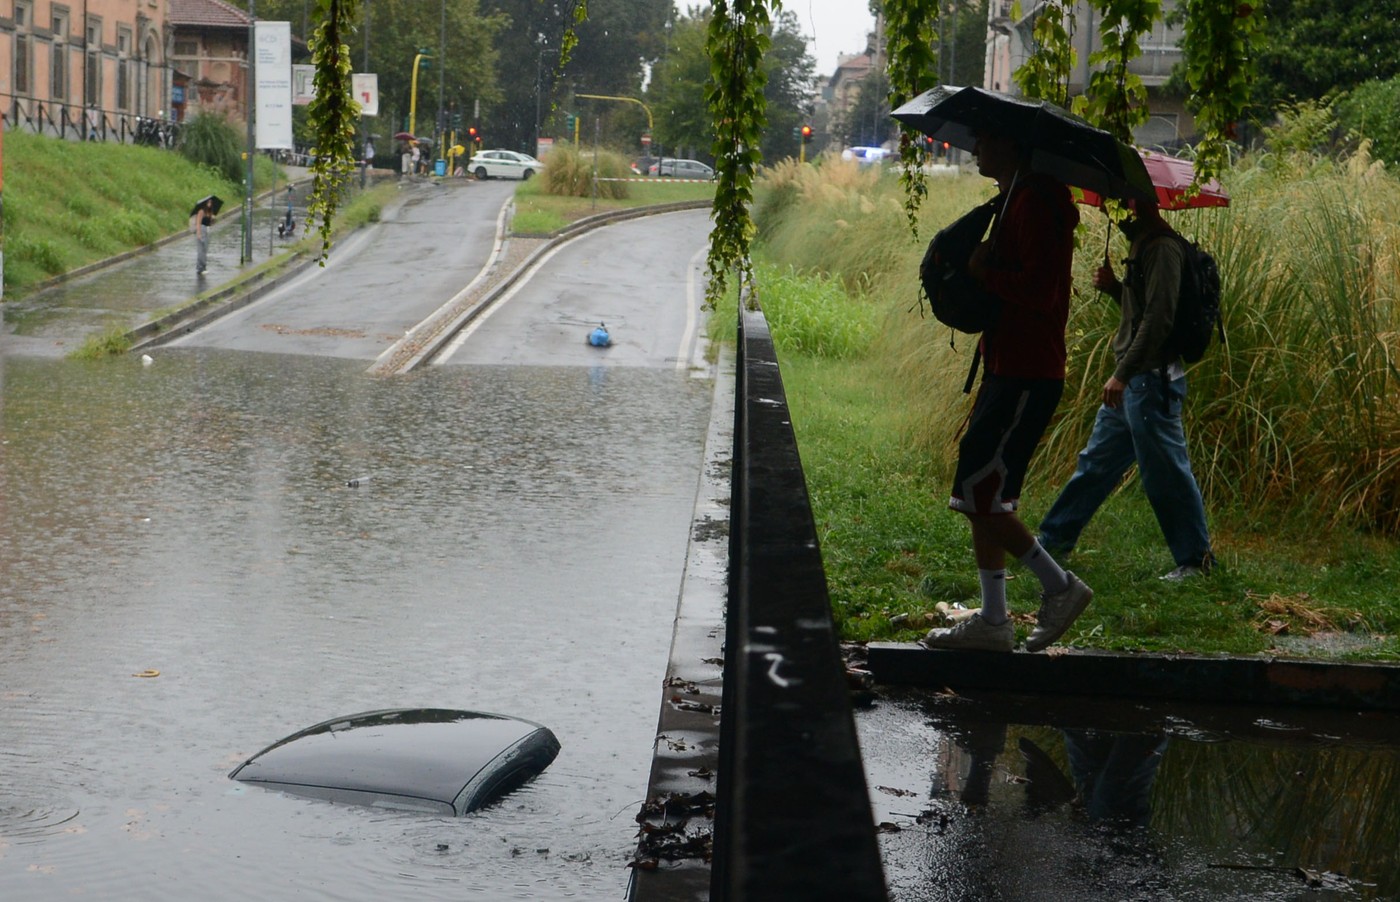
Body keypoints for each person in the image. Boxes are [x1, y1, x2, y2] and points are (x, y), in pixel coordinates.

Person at [921, 127, 1092, 654]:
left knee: (979, 493)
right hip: (1009, 365)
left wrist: (982, 271)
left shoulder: (1036, 202)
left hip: (1027, 370)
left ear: (1014, 144)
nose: (977, 149)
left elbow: (1041, 292)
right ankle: (994, 620)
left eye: (986, 141)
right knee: (981, 492)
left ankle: (1060, 587)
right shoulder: (1017, 199)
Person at [1037, 196, 1214, 581]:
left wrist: (1122, 373)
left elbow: (1159, 319)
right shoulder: (1143, 243)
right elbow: (1141, 311)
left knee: (1166, 473)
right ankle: (1050, 543)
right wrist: (1116, 289)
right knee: (1096, 464)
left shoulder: (1162, 247)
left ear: (1135, 206)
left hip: (1151, 383)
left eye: (1115, 208)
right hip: (1136, 381)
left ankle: (1196, 561)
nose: (1109, 215)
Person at [191, 199, 215, 276]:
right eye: (208, 202)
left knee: (205, 249)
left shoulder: (209, 212)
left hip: (207, 230)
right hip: (202, 229)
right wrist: (198, 233)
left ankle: (204, 266)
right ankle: (200, 268)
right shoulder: (201, 211)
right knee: (201, 249)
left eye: (211, 202)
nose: (209, 204)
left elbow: (210, 223)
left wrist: (212, 218)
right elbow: (198, 222)